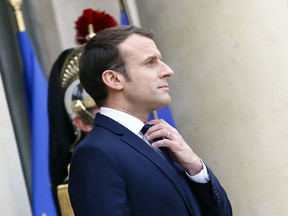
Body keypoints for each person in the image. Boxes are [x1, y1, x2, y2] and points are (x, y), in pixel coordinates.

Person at [68, 25, 233, 216]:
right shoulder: (95, 153)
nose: (168, 71)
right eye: (150, 62)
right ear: (114, 79)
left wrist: (196, 169)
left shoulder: (162, 141)